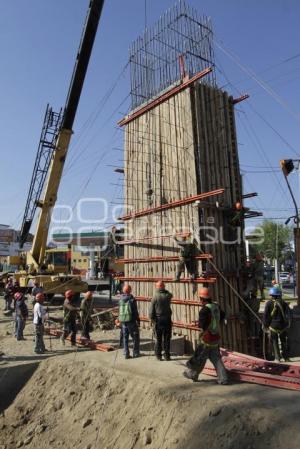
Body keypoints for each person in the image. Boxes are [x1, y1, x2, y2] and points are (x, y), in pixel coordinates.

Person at [183, 287, 228, 385]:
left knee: (199, 357)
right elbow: (222, 316)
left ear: (202, 299)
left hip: (207, 338)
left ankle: (192, 374)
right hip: (215, 336)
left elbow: (202, 326)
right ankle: (223, 378)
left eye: (200, 299)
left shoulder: (204, 310)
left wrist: (195, 325)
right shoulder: (216, 306)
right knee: (216, 359)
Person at [263, 287, 291, 362]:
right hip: (283, 326)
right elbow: (288, 314)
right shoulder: (284, 303)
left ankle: (277, 358)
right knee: (283, 342)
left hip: (273, 326)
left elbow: (266, 315)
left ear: (272, 295)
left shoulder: (269, 303)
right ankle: (286, 358)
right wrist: (288, 324)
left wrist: (265, 325)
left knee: (275, 342)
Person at [149, 281, 173, 361]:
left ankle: (159, 355)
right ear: (163, 286)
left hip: (158, 320)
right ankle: (167, 355)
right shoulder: (168, 295)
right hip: (167, 319)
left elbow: (151, 310)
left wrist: (152, 319)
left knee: (158, 338)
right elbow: (170, 294)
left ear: (157, 287)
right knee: (167, 338)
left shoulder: (155, 297)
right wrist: (164, 289)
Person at [118, 284, 140, 359]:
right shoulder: (132, 299)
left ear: (123, 291)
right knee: (135, 336)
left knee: (125, 337)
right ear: (130, 290)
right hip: (131, 321)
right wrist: (138, 320)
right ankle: (136, 352)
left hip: (123, 321)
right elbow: (135, 311)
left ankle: (126, 353)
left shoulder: (120, 299)